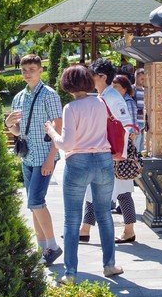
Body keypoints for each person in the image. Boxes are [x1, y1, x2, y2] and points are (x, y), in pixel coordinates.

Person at [45, 65, 121, 281]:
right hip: (103, 160)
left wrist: (51, 131)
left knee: (71, 219)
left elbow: (66, 143)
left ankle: (70, 273)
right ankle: (110, 265)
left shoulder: (71, 108)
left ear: (67, 85)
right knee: (105, 215)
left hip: (78, 162)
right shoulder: (100, 102)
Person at [5, 53, 64, 265]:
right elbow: (17, 131)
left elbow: (58, 127)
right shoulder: (19, 97)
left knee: (36, 201)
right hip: (27, 156)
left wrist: (51, 159)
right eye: (24, 70)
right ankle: (43, 249)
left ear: (41, 71)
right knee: (33, 204)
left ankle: (54, 246)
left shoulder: (49, 94)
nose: (27, 74)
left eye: (32, 70)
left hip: (44, 155)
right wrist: (9, 124)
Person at [79, 60, 137, 244]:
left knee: (121, 191)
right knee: (93, 189)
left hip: (114, 152)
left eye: (92, 75)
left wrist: (121, 154)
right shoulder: (104, 95)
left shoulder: (111, 96)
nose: (89, 78)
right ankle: (84, 229)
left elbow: (127, 124)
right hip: (105, 150)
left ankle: (128, 230)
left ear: (102, 77)